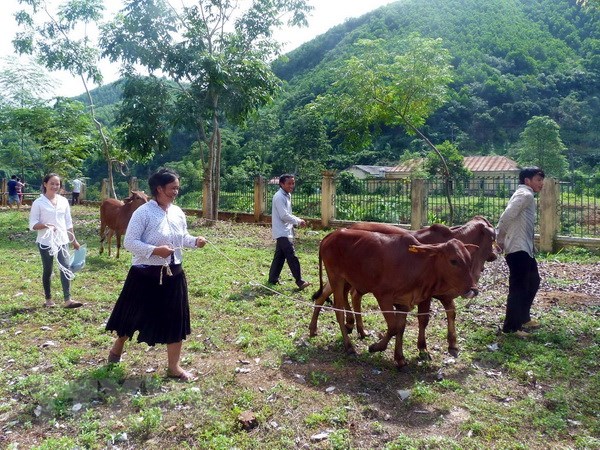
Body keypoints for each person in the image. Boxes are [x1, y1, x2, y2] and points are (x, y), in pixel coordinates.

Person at [105, 168, 207, 382]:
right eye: (172, 188)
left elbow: (182, 237)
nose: (176, 192)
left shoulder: (178, 212)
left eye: (178, 188)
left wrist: (194, 241)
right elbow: (129, 243)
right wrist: (154, 251)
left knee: (175, 319)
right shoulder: (143, 213)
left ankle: (173, 367)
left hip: (174, 273)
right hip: (145, 275)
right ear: (159, 189)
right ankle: (117, 347)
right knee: (132, 315)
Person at [496, 167, 545, 337]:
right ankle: (511, 327)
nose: (541, 183)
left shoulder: (526, 195)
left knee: (533, 281)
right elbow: (507, 215)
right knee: (519, 288)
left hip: (525, 249)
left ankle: (523, 318)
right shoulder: (525, 195)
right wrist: (500, 237)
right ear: (527, 181)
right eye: (538, 180)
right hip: (518, 249)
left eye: (541, 180)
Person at [29, 173, 83, 308]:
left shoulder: (63, 201)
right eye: (52, 183)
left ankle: (68, 300)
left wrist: (74, 241)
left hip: (62, 240)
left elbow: (68, 223)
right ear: (45, 184)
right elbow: (32, 225)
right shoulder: (38, 203)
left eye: (57, 184)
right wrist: (45, 226)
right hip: (45, 241)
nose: (54, 186)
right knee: (48, 270)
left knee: (66, 267)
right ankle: (48, 299)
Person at [268, 174, 310, 290]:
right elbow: (284, 215)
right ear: (282, 184)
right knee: (291, 255)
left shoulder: (287, 195)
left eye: (293, 183)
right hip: (282, 231)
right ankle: (300, 281)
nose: (292, 185)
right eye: (289, 183)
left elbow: (287, 214)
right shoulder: (279, 197)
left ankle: (272, 279)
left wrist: (296, 220)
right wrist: (298, 221)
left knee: (279, 257)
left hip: (285, 230)